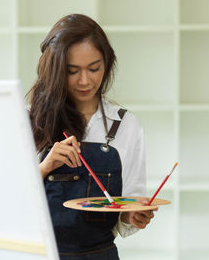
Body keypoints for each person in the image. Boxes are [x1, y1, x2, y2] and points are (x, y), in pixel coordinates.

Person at [27, 13, 156, 260]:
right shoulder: (28, 122)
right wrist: (44, 168)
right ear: (54, 70)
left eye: (94, 68)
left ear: (106, 64)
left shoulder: (126, 126)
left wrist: (132, 216)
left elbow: (127, 206)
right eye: (72, 71)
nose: (85, 81)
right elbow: (6, 203)